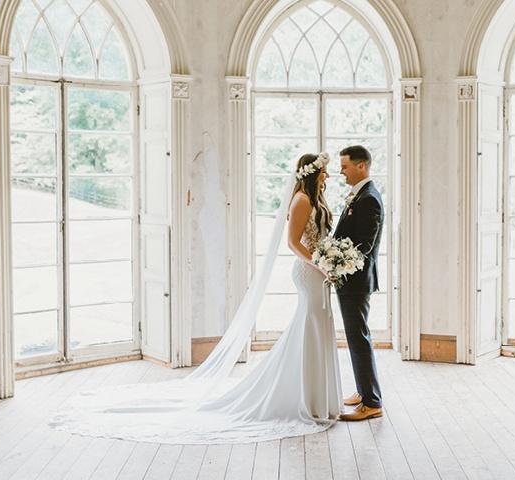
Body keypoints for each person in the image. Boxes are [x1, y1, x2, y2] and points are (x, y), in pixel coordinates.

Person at [50, 152, 342, 444]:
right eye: (326, 171)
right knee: (310, 325)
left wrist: (330, 261)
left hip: (319, 273)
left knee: (315, 326)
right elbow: (292, 243)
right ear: (314, 172)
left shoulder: (317, 200)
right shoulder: (302, 200)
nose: (328, 176)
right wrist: (320, 264)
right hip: (309, 273)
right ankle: (304, 395)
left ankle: (315, 393)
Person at [333, 145, 385, 421]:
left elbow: (363, 246)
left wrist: (334, 264)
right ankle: (363, 392)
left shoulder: (369, 199)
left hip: (355, 280)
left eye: (344, 166)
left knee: (359, 339)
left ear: (360, 166)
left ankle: (372, 402)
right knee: (355, 339)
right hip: (349, 280)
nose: (341, 172)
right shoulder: (360, 196)